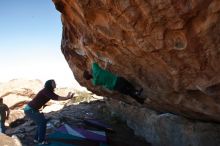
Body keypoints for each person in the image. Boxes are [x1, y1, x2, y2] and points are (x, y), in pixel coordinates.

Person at [23, 79, 74, 145]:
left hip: (33, 109)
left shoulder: (48, 91)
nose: (55, 84)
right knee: (42, 123)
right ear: (50, 84)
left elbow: (56, 96)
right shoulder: (46, 91)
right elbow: (56, 97)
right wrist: (67, 97)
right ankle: (41, 141)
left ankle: (36, 139)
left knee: (41, 123)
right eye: (54, 83)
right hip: (30, 109)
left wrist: (67, 97)